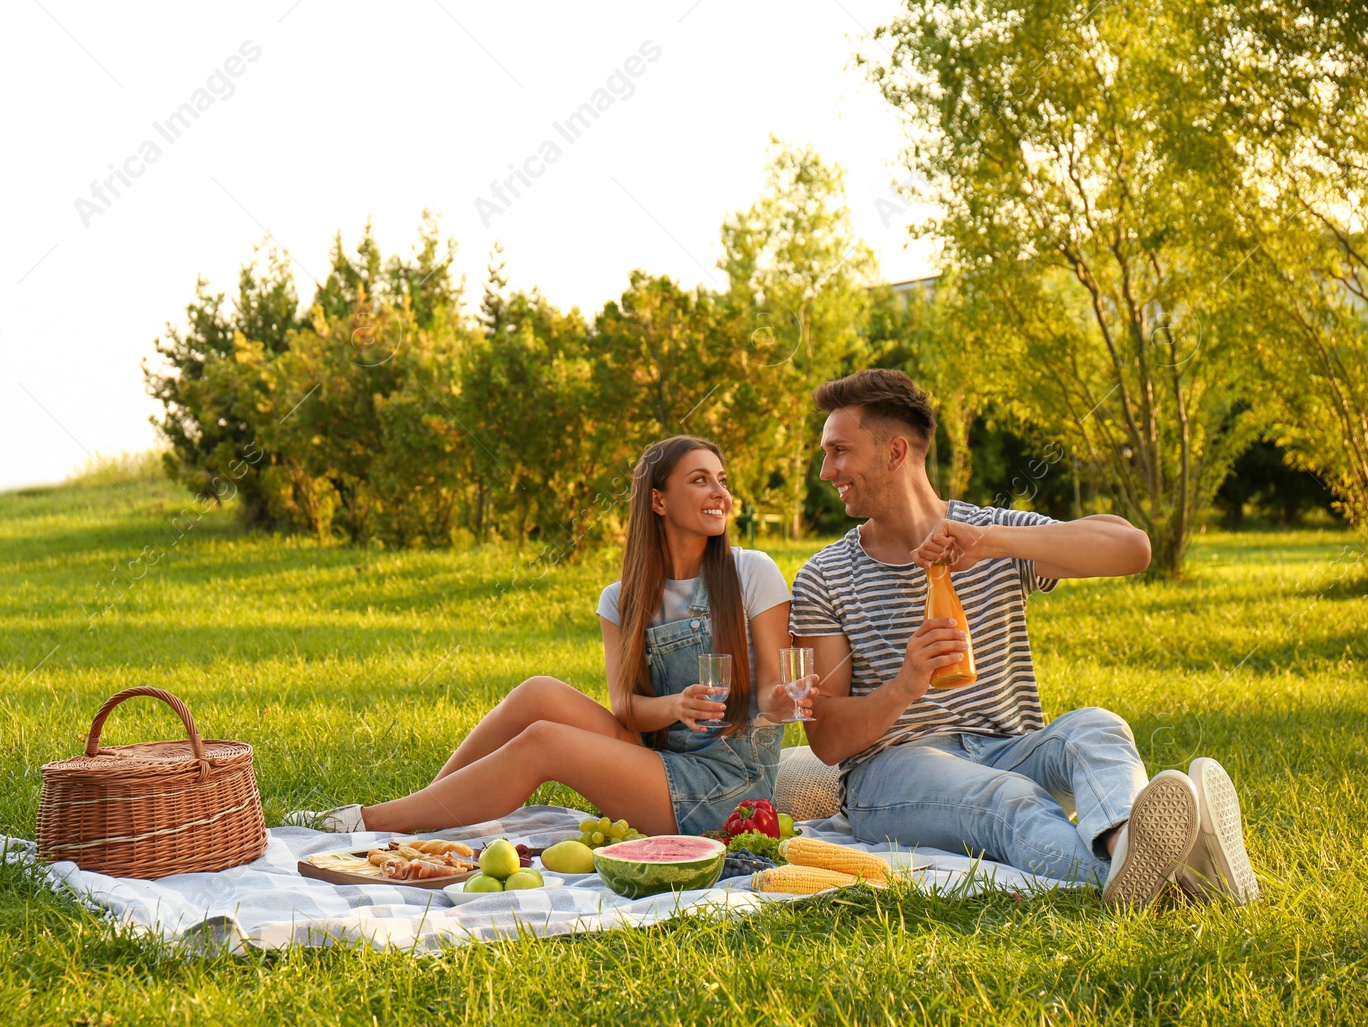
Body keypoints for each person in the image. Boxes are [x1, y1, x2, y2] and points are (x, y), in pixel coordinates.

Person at [791, 368, 1258, 907]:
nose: (826, 470)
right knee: (1013, 801)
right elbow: (825, 739)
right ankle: (1173, 885)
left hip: (1007, 747)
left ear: (895, 453)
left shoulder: (987, 535)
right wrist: (903, 686)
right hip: (892, 775)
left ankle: (1134, 849)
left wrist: (991, 542)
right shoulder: (824, 575)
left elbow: (1132, 548)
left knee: (1097, 728)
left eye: (839, 451)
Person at [306, 435, 815, 836]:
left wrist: (790, 700)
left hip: (730, 790)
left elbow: (774, 690)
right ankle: (424, 807)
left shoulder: (752, 571)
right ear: (658, 501)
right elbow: (626, 709)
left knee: (545, 743)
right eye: (700, 480)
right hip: (659, 765)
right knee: (538, 692)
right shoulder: (622, 598)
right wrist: (675, 707)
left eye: (721, 480)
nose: (720, 494)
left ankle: (373, 822)